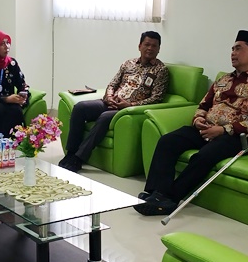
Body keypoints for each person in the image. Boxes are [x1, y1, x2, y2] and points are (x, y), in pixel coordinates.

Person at [135, 30, 248, 216]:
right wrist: (199, 119)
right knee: (168, 141)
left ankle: (169, 199)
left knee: (203, 156)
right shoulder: (224, 78)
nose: (233, 53)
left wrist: (224, 129)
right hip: (206, 129)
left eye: (238, 49)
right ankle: (156, 192)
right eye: (232, 49)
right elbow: (203, 105)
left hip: (235, 137)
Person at [59, 31, 168, 173]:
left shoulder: (161, 70)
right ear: (139, 46)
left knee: (105, 117)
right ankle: (71, 152)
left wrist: (130, 105)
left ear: (159, 49)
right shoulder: (128, 63)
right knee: (80, 108)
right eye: (147, 44)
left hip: (127, 109)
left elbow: (157, 98)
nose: (150, 48)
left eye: (154, 46)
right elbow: (112, 84)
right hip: (110, 102)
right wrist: (109, 97)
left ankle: (78, 159)